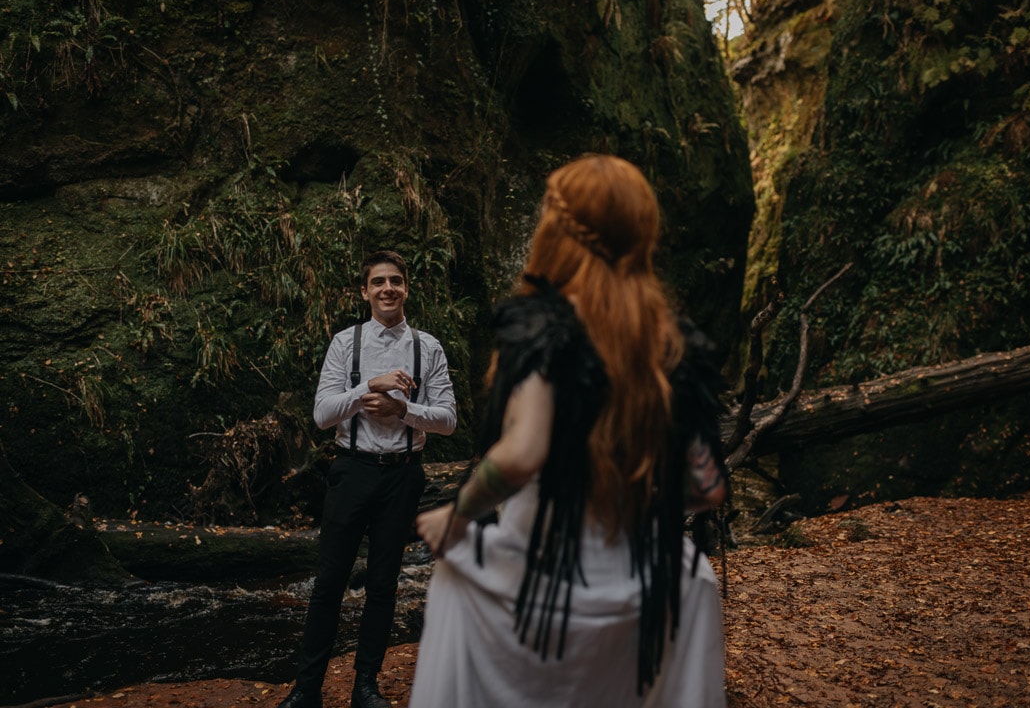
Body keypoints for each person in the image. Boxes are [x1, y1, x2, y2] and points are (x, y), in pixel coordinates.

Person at [412, 155, 729, 707]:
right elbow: (706, 489)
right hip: (640, 593)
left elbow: (521, 454)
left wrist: (457, 513)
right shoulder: (669, 346)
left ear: (557, 229)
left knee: (457, 574)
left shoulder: (544, 327)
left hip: (538, 592)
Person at [277, 250, 457, 708]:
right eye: (378, 282)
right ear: (365, 291)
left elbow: (448, 420)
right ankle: (307, 689)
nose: (388, 289)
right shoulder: (346, 343)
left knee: (383, 584)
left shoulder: (428, 347)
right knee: (329, 581)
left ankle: (365, 687)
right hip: (351, 470)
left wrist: (404, 410)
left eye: (396, 280)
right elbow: (321, 416)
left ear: (407, 288)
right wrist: (368, 387)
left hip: (403, 475)